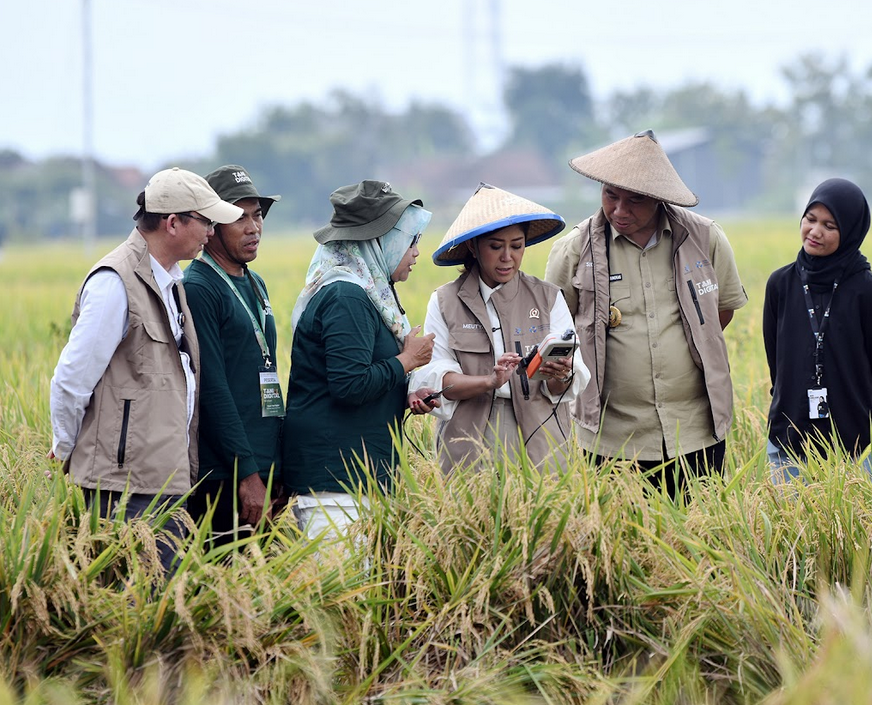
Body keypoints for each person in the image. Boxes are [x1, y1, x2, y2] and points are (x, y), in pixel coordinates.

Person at [49, 167, 242, 573]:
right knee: (132, 600)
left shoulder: (172, 281)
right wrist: (65, 448)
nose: (211, 232)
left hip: (164, 478)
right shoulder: (115, 282)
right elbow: (72, 378)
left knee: (164, 598)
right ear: (172, 223)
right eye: (206, 222)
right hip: (124, 486)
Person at [545, 130, 749, 497]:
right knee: (620, 532)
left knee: (699, 526)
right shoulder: (574, 251)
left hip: (695, 430)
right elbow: (557, 331)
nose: (619, 210)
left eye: (635, 200)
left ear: (658, 198)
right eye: (611, 195)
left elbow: (721, 312)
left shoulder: (704, 239)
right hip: (612, 436)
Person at [282, 180, 438, 538]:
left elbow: (358, 376)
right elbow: (349, 385)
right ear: (380, 241)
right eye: (410, 240)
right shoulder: (346, 297)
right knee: (341, 576)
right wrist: (407, 361)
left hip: (357, 479)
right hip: (336, 484)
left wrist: (405, 394)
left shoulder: (365, 294)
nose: (416, 252)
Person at [411, 183, 590, 474]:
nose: (508, 257)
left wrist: (561, 373)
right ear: (473, 246)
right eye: (496, 247)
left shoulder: (548, 298)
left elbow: (565, 386)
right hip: (468, 434)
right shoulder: (445, 301)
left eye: (517, 246)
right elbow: (438, 377)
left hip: (539, 433)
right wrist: (489, 381)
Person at [762, 177, 872, 482]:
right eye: (810, 219)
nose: (815, 231)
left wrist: (867, 411)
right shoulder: (781, 284)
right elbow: (776, 361)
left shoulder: (868, 291)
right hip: (790, 433)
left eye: (829, 225)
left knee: (862, 513)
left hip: (857, 441)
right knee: (790, 512)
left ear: (850, 231)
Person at [183, 165, 284, 544]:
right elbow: (212, 389)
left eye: (257, 215)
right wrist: (247, 474)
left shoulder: (255, 283)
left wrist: (276, 463)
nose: (253, 227)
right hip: (228, 474)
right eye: (239, 217)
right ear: (211, 225)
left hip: (265, 465)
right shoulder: (199, 288)